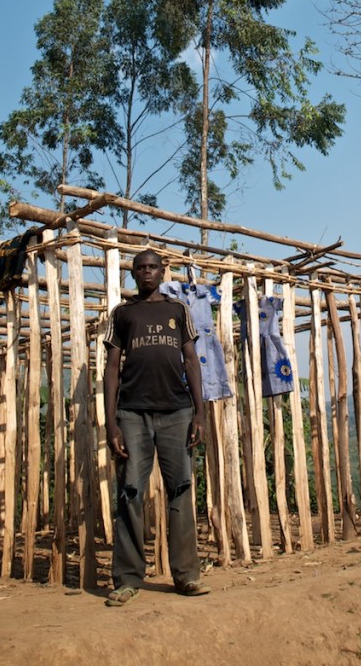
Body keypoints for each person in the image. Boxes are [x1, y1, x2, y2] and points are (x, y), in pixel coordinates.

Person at [103, 248, 210, 606]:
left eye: (152, 267)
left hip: (177, 412)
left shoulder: (178, 310)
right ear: (132, 274)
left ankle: (186, 576)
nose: (147, 273)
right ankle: (128, 578)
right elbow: (112, 369)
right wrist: (111, 424)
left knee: (180, 490)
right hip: (132, 413)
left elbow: (191, 360)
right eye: (140, 268)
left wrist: (200, 413)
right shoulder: (122, 314)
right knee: (130, 491)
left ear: (163, 272)